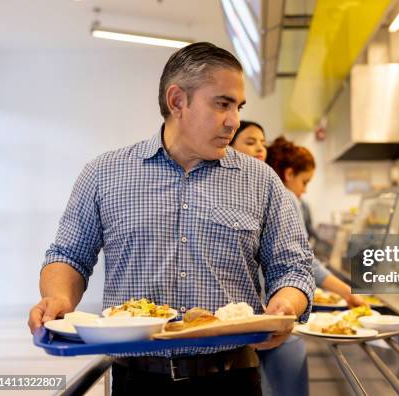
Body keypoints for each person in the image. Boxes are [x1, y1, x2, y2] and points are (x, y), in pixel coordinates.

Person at [27, 42, 314, 396]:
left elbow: (293, 268)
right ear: (177, 101)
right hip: (137, 381)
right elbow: (69, 255)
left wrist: (287, 303)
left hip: (232, 380)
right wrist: (57, 298)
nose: (234, 121)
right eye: (222, 104)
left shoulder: (261, 181)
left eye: (237, 107)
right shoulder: (103, 174)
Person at [230, 131, 365, 396]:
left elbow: (295, 262)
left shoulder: (265, 191)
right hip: (271, 313)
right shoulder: (280, 194)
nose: (260, 149)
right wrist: (348, 292)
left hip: (263, 312)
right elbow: (305, 264)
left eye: (262, 143)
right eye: (305, 181)